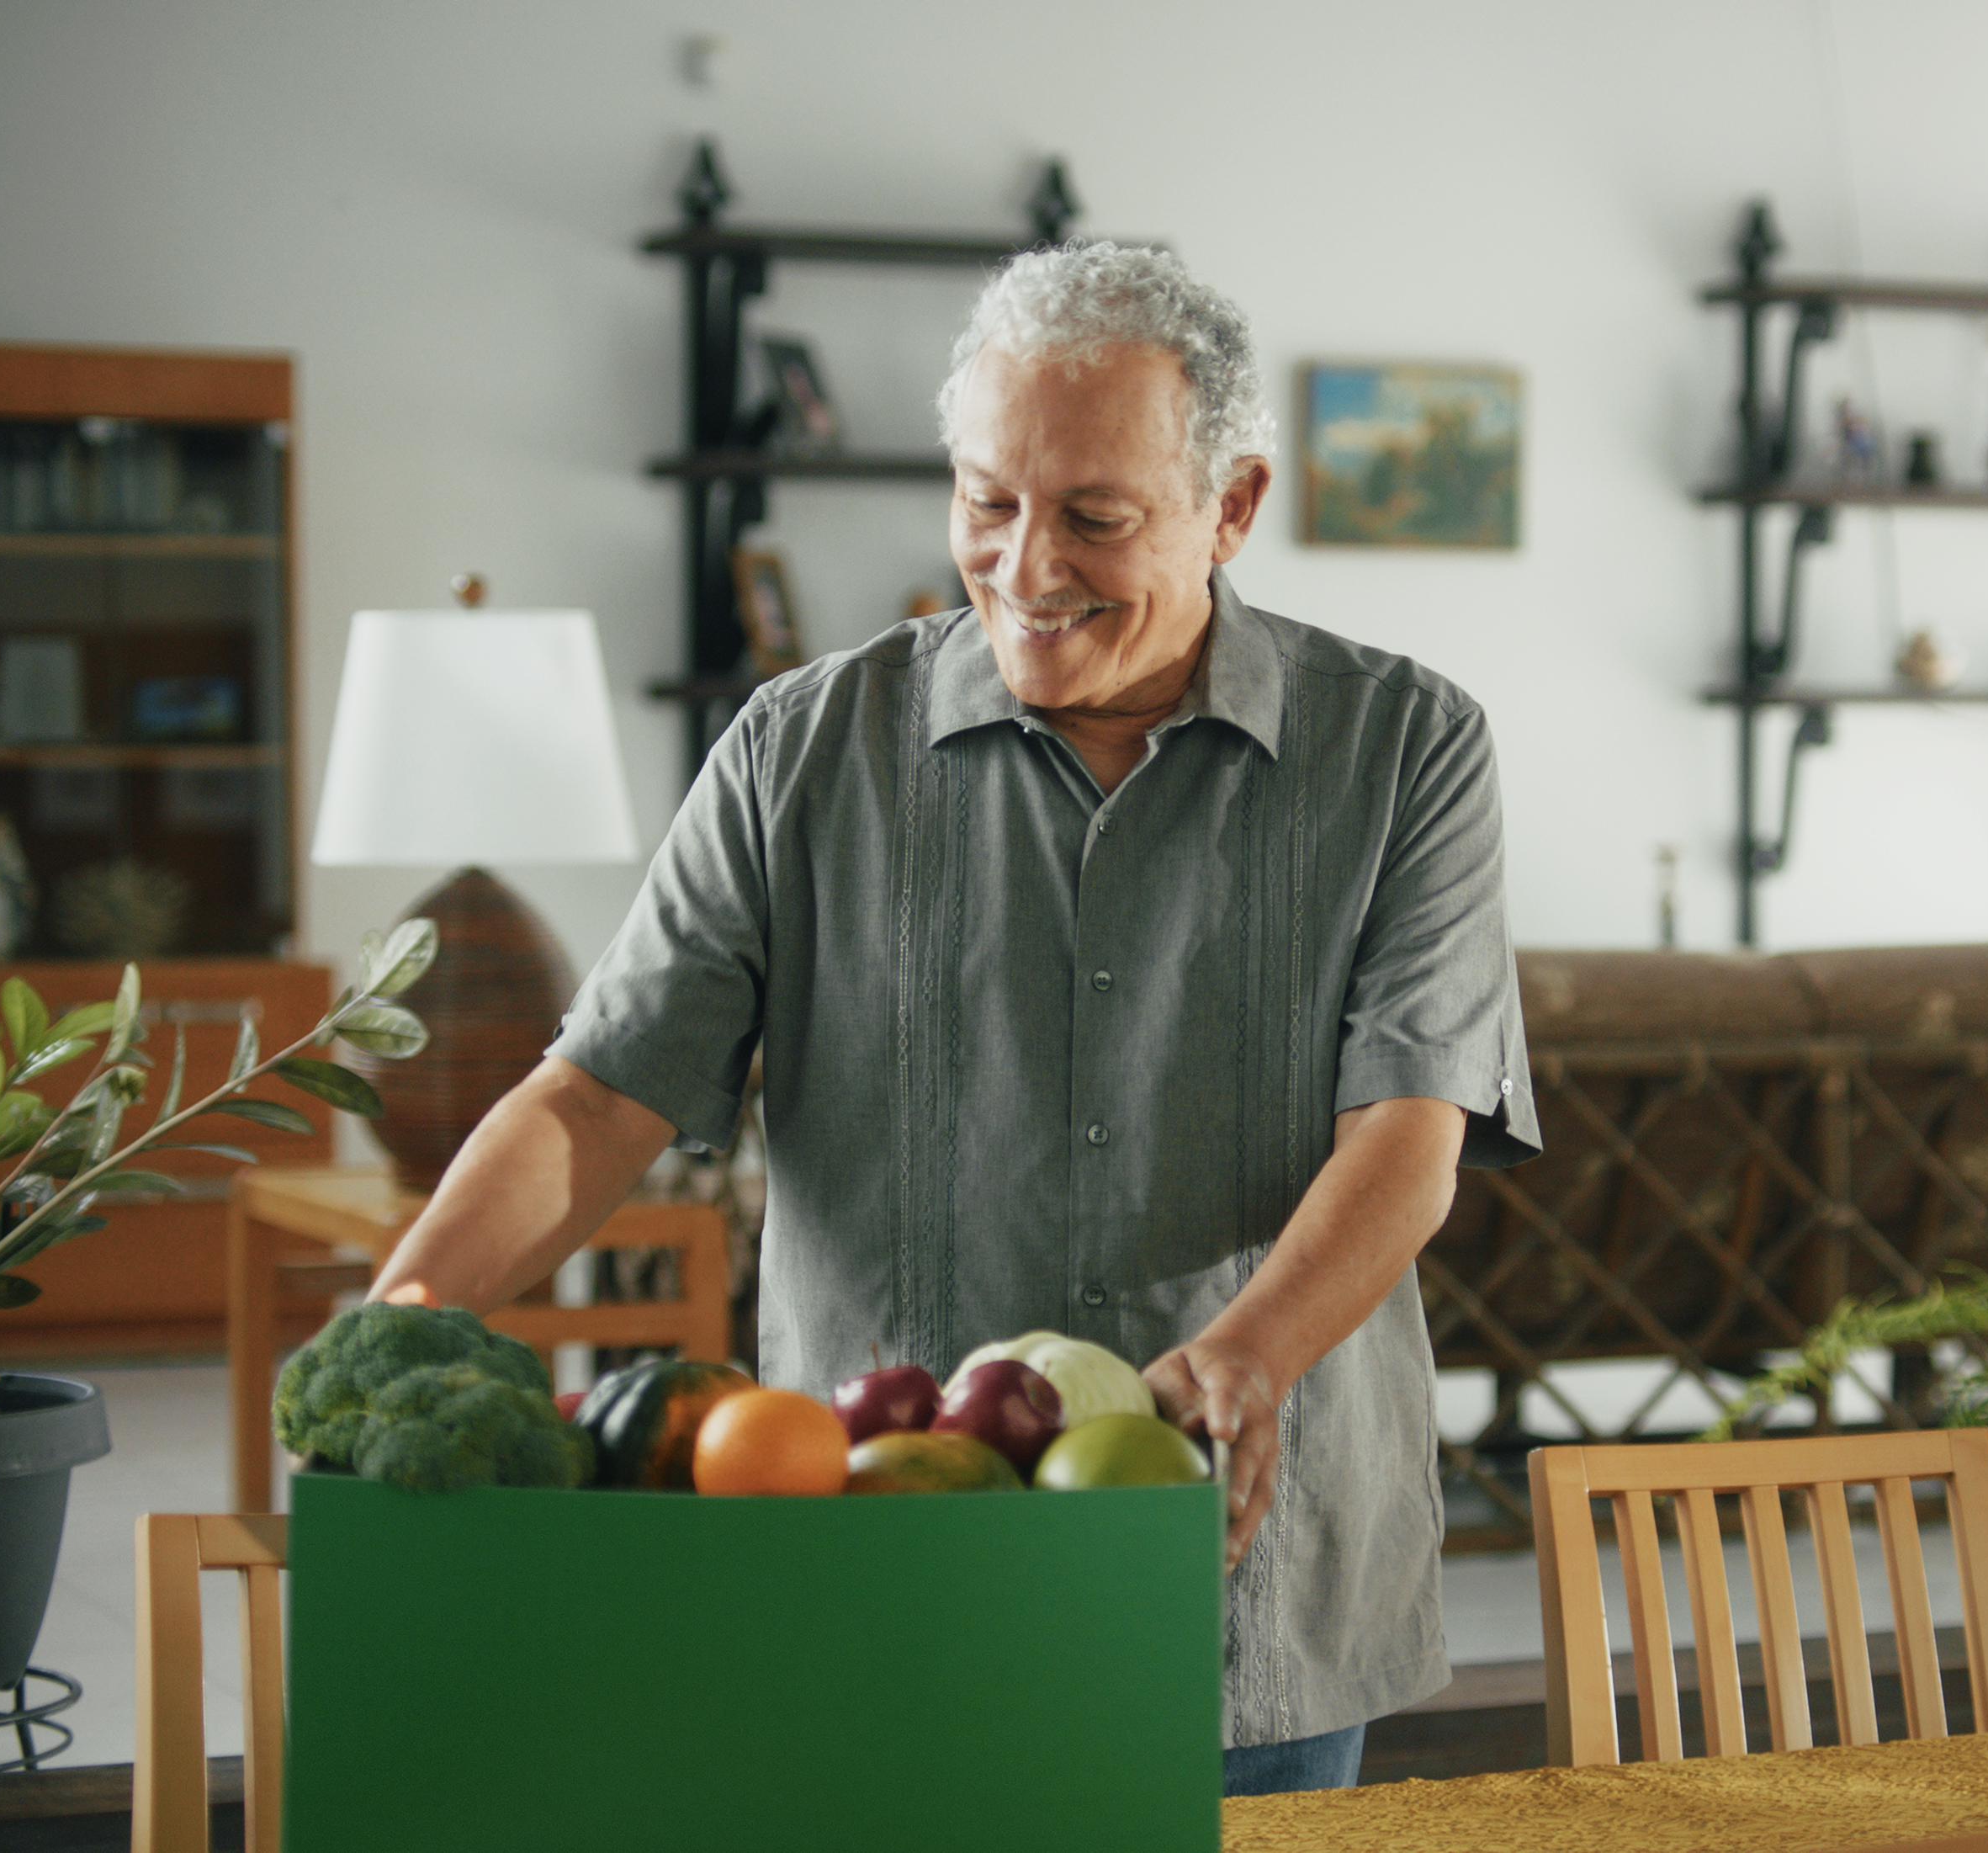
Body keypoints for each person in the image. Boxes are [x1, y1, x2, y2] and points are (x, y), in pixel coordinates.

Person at [364, 240, 1540, 1795]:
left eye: (1094, 518)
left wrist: (1248, 1355)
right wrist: (409, 1314)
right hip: (875, 1556)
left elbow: (1410, 1130)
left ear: (1234, 507)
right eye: (988, 500)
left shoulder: (1407, 749)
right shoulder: (799, 749)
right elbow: (598, 1098)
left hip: (1251, 1576)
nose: (1025, 565)